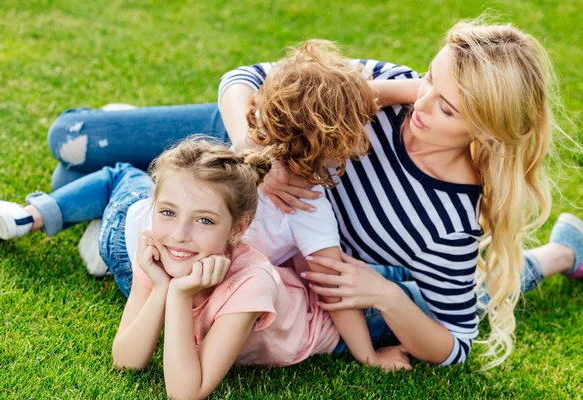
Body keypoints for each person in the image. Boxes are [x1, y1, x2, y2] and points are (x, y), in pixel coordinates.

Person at [41, 20, 581, 368]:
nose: (423, 102)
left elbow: (455, 344)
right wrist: (256, 157)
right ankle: (156, 169)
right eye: (431, 79)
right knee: (68, 143)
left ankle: (559, 254)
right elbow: (245, 78)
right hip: (244, 136)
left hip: (301, 250)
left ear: (486, 130)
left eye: (448, 108)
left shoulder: (447, 222)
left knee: (438, 294)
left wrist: (383, 294)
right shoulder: (396, 89)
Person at [0, 137, 427, 400]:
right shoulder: (156, 248)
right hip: (293, 286)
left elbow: (187, 391)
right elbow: (126, 360)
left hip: (320, 322)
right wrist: (162, 288)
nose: (179, 236)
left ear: (239, 230)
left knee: (422, 297)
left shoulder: (250, 281)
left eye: (205, 221)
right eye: (168, 212)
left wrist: (175, 296)